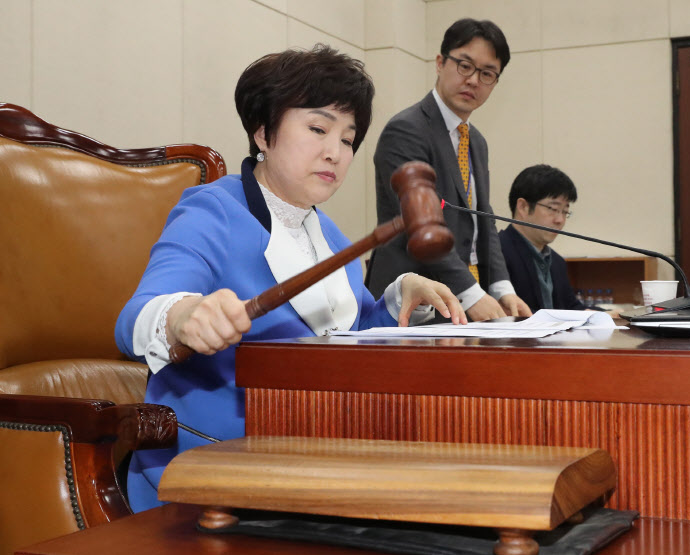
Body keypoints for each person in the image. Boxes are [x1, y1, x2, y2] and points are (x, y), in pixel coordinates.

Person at [115, 45, 466, 513]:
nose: (335, 153)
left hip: (319, 450)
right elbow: (135, 317)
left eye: (347, 139)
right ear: (263, 132)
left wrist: (403, 293)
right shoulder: (211, 210)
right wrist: (182, 316)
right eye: (318, 129)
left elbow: (349, 335)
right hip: (214, 467)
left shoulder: (330, 233)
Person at [365, 18, 531, 321]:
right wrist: (471, 294)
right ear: (440, 62)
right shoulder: (406, 130)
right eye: (464, 66)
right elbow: (420, 225)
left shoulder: (476, 141)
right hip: (413, 303)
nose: (473, 80)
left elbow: (483, 219)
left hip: (463, 298)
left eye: (487, 73)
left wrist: (501, 287)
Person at [498, 164, 585, 313]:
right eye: (553, 209)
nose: (560, 220)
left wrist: (606, 314)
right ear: (523, 207)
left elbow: (573, 309)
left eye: (565, 211)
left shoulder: (557, 262)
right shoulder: (497, 252)